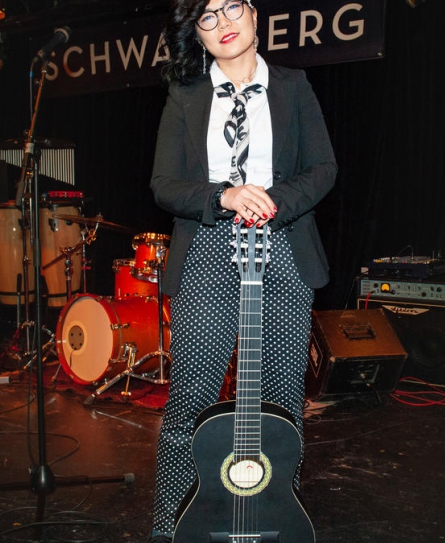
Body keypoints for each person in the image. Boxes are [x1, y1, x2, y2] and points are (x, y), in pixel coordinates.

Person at [148, 0, 337, 540]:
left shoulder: (293, 86)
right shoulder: (185, 95)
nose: (223, 23)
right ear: (199, 35)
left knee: (281, 403)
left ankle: (274, 517)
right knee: (193, 398)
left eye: (232, 8)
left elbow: (324, 166)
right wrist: (225, 196)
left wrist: (272, 200)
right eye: (207, 17)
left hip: (283, 248)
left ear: (254, 14)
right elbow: (164, 184)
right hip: (207, 250)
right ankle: (171, 529)